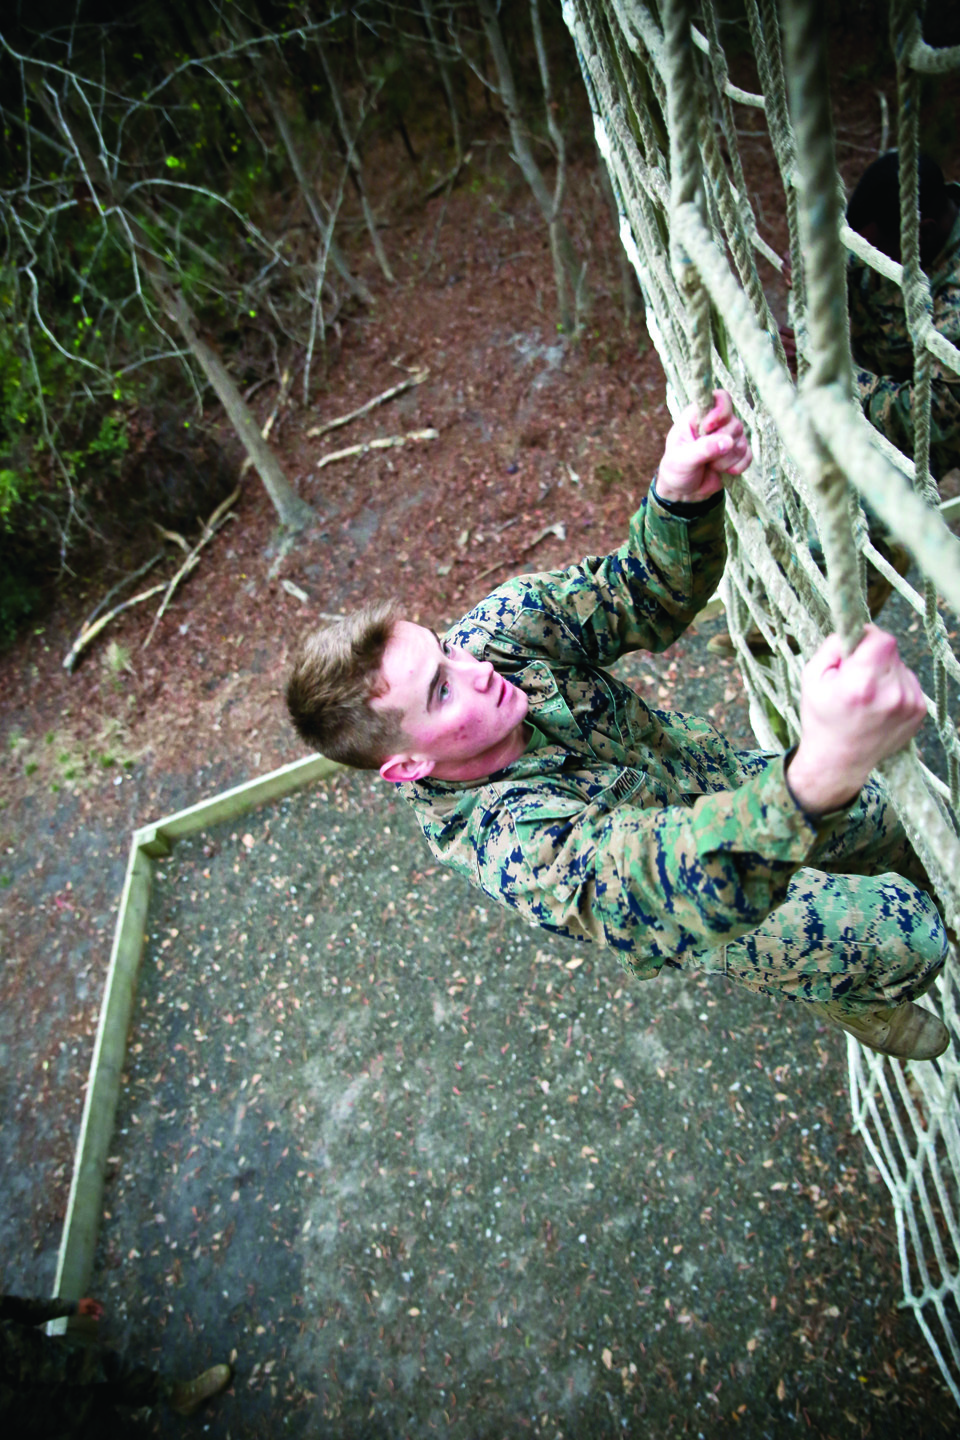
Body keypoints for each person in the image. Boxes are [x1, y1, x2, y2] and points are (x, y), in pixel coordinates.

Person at [286, 390, 949, 1062]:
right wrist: (823, 768)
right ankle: (848, 993)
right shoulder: (510, 844)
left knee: (885, 821)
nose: (475, 666)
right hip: (690, 901)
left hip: (705, 780)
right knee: (907, 936)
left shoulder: (494, 637)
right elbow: (659, 889)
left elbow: (638, 592)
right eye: (441, 689)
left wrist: (677, 497)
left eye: (445, 646)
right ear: (409, 767)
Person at [846, 149, 960, 481]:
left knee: (836, 514)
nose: (865, 260)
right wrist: (816, 262)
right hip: (877, 388)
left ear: (920, 233)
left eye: (875, 253)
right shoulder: (915, 211)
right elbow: (854, 245)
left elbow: (934, 416)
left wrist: (842, 378)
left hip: (930, 429)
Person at [0, 1289, 232, 1436]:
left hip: (61, 1361)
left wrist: (69, 1307)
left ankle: (181, 1395)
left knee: (125, 1376)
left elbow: (17, 1309)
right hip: (56, 1422)